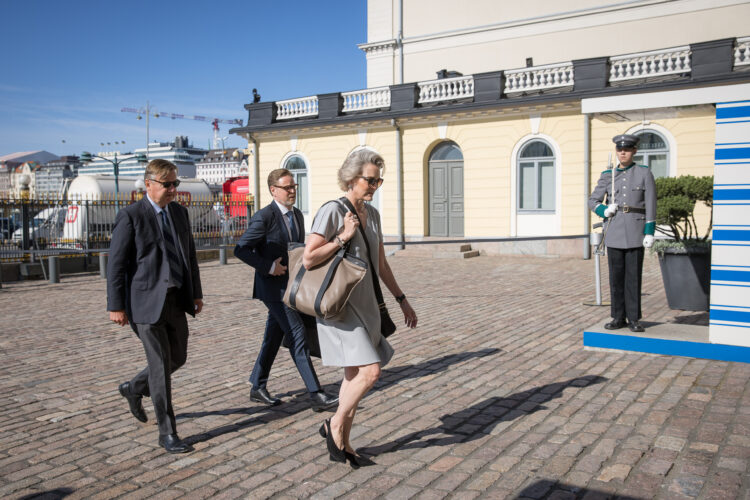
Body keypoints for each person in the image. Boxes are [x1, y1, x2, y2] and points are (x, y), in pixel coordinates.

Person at [303, 150, 418, 467]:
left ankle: (344, 442)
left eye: (379, 179)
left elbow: (380, 263)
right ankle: (334, 425)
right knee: (371, 372)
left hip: (368, 304)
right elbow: (309, 258)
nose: (376, 185)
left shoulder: (374, 215)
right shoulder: (332, 210)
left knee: (353, 375)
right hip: (341, 306)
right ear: (352, 178)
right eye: (371, 179)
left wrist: (401, 298)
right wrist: (343, 236)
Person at [108, 159, 203, 454]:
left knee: (178, 358)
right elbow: (116, 265)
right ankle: (167, 432)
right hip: (144, 303)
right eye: (168, 185)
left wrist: (196, 293)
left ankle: (134, 387)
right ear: (149, 184)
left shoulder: (179, 213)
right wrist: (116, 305)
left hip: (176, 300)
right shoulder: (131, 216)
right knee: (160, 367)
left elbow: (189, 256)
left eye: (176, 184)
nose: (173, 189)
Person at [234, 168, 338, 412]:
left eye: (294, 186)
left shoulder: (298, 215)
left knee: (273, 336)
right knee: (297, 335)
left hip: (291, 288)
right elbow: (241, 249)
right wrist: (269, 267)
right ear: (273, 190)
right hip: (272, 289)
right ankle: (316, 393)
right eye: (287, 187)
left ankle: (257, 386)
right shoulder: (264, 217)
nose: (292, 191)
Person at [589, 134, 657, 333]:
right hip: (615, 229)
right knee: (616, 278)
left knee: (633, 278)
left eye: (627, 149)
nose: (623, 153)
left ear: (634, 150)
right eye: (620, 150)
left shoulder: (643, 173)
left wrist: (649, 231)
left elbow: (651, 203)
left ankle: (634, 318)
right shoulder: (608, 174)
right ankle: (618, 317)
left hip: (636, 230)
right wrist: (604, 210)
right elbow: (592, 200)